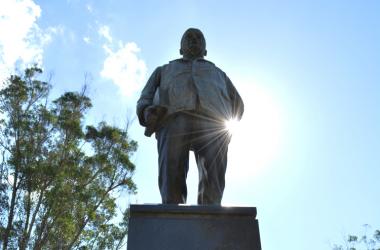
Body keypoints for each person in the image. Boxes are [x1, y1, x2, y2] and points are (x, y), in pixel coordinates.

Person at [136, 28, 244, 205]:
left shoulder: (219, 74)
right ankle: (172, 210)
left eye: (198, 38)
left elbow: (238, 104)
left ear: (205, 49)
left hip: (213, 123)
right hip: (173, 119)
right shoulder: (164, 70)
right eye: (189, 37)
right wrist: (146, 111)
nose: (194, 40)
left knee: (214, 173)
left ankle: (210, 213)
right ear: (180, 48)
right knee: (171, 169)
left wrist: (226, 127)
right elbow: (145, 97)